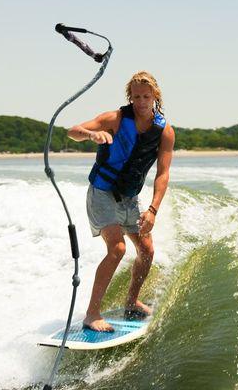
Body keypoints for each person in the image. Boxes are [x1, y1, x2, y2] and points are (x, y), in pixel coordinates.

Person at [67, 71, 175, 332]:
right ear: (130, 97)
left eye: (146, 96)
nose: (141, 101)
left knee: (146, 250)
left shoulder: (165, 131)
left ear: (155, 97)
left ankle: (131, 301)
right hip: (102, 193)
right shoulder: (114, 118)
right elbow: (73, 131)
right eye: (136, 96)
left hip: (129, 198)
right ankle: (92, 314)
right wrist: (91, 135)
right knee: (117, 249)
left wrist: (153, 209)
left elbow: (163, 174)